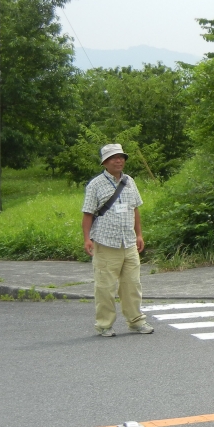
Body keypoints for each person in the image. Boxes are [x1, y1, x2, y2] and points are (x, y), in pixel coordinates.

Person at [81, 143, 153, 337]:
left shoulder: (130, 181)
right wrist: (87, 239)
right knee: (105, 287)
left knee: (132, 285)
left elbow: (135, 209)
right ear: (105, 162)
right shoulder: (95, 185)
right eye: (114, 157)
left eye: (121, 157)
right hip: (105, 243)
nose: (119, 160)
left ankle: (136, 321)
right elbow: (88, 214)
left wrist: (139, 234)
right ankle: (104, 325)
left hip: (128, 242)